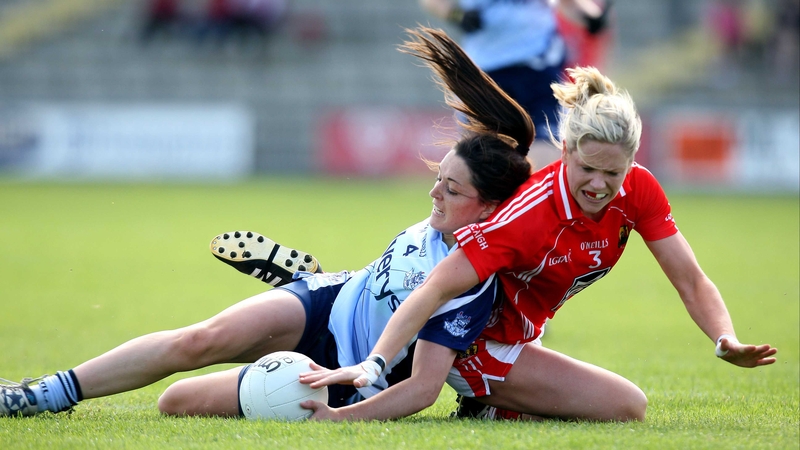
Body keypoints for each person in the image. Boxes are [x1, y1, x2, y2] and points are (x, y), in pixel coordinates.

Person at [0, 26, 534, 421]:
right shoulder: (453, 213)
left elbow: (421, 391)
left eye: (451, 188)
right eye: (439, 178)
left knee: (175, 403)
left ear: (488, 210)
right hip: (330, 298)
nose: (434, 192)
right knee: (198, 340)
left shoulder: (470, 287)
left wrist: (340, 419)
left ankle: (286, 337)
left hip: (340, 377)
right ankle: (40, 395)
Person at [301, 62, 778, 421]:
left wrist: (725, 338)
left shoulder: (640, 190)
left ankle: (496, 408)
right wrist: (377, 362)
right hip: (474, 340)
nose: (598, 184)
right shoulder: (529, 213)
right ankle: (483, 397)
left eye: (613, 172)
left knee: (601, 403)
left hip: (523, 333)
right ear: (566, 150)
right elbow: (437, 289)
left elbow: (691, 281)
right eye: (587, 168)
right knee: (629, 407)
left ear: (632, 163)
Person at [419, 0, 612, 166]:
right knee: (482, 155)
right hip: (486, 73)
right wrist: (458, 15)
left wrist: (591, 17)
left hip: (537, 68)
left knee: (546, 144)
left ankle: (535, 204)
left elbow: (567, 3)